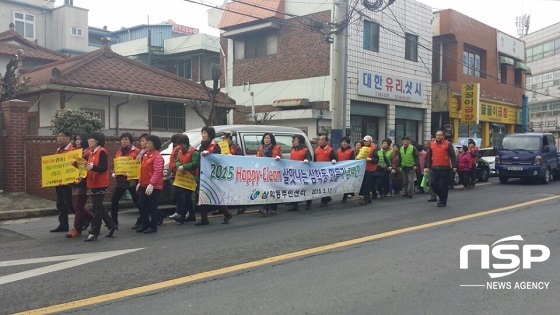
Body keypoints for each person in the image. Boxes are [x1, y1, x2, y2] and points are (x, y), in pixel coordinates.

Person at [84, 132, 118, 242]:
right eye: (88, 139)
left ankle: (94, 232)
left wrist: (93, 167)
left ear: (97, 140)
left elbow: (104, 168)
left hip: (100, 183)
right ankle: (111, 225)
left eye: (91, 139)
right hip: (92, 182)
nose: (89, 141)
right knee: (99, 207)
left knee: (96, 209)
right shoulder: (90, 152)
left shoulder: (101, 151)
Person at [196, 126, 233, 225]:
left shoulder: (216, 146)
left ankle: (227, 213)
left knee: (216, 196)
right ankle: (204, 219)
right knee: (201, 196)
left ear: (210, 135)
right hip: (203, 174)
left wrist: (209, 155)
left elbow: (218, 160)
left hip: (212, 176)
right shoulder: (201, 146)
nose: (203, 135)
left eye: (205, 133)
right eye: (202, 133)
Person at [66, 132, 94, 238]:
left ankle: (77, 229)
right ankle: (94, 220)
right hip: (74, 182)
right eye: (76, 139)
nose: (77, 141)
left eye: (79, 139)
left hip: (83, 182)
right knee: (77, 206)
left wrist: (81, 178)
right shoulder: (75, 152)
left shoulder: (88, 152)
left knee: (78, 206)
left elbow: (85, 168)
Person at [136, 135, 164, 233]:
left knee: (152, 206)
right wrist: (139, 182)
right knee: (141, 204)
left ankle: (153, 226)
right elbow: (142, 170)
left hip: (153, 186)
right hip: (144, 184)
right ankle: (145, 224)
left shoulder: (157, 157)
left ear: (154, 144)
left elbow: (157, 171)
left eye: (149, 143)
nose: (146, 144)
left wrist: (152, 184)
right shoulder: (146, 155)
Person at [110, 132, 140, 227]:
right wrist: (114, 170)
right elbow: (116, 164)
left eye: (126, 139)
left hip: (132, 180)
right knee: (114, 200)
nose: (124, 141)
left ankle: (153, 216)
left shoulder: (137, 151)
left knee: (137, 201)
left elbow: (139, 165)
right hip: (121, 180)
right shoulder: (119, 151)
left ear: (130, 141)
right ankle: (114, 221)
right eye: (122, 139)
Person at [51, 129, 75, 233]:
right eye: (58, 136)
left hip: (68, 182)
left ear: (69, 138)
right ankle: (63, 225)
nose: (59, 138)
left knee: (70, 203)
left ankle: (85, 220)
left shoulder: (72, 150)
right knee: (60, 203)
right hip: (59, 181)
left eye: (62, 136)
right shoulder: (58, 150)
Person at [425, 131, 458, 207]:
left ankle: (443, 201)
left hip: (445, 168)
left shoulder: (447, 144)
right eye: (437, 135)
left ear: (443, 136)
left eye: (440, 135)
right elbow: (429, 157)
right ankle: (441, 196)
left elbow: (453, 156)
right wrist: (427, 167)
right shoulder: (432, 144)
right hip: (434, 168)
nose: (438, 136)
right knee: (432, 184)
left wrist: (454, 166)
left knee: (443, 186)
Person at [172, 134, 199, 224]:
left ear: (185, 143)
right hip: (182, 177)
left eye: (181, 144)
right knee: (178, 194)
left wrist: (184, 167)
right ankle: (189, 214)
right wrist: (179, 165)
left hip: (191, 177)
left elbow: (195, 164)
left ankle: (185, 215)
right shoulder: (180, 151)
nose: (179, 146)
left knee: (187, 197)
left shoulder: (194, 152)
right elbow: (177, 161)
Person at [256, 133, 282, 216]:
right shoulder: (261, 148)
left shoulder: (276, 148)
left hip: (272, 172)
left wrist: (278, 158)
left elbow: (280, 157)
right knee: (266, 189)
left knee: (270, 190)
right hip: (264, 172)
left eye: (268, 138)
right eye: (265, 138)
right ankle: (271, 208)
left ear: (271, 139)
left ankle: (267, 208)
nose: (266, 140)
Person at [286, 134, 313, 211]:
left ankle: (308, 202)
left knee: (305, 188)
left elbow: (309, 158)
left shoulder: (305, 150)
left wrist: (306, 160)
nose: (294, 142)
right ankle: (295, 205)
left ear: (300, 141)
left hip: (303, 172)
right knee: (294, 188)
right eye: (294, 140)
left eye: (296, 140)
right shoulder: (293, 150)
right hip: (294, 172)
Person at [131, 133, 150, 230]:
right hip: (139, 178)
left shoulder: (149, 153)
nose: (142, 143)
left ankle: (144, 221)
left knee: (144, 203)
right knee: (141, 202)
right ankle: (144, 220)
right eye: (141, 141)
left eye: (144, 141)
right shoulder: (141, 152)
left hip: (147, 180)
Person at [168, 133, 188, 220]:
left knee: (182, 195)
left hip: (181, 174)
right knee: (178, 194)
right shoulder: (177, 149)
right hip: (176, 174)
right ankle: (179, 211)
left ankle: (184, 212)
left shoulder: (179, 150)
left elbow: (178, 161)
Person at [314, 134, 337, 207]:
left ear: (326, 141)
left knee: (325, 185)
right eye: (319, 140)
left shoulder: (330, 150)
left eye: (322, 140)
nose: (320, 141)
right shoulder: (316, 150)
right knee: (320, 185)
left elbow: (335, 159)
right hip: (318, 171)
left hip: (327, 171)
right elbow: (314, 160)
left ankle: (323, 201)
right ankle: (327, 198)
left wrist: (333, 160)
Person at [358, 136, 381, 205]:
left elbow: (376, 159)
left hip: (370, 169)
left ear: (370, 141)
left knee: (367, 185)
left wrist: (370, 159)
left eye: (367, 141)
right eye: (364, 141)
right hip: (363, 168)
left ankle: (366, 199)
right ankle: (368, 198)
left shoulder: (373, 149)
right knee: (365, 184)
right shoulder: (362, 148)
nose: (365, 142)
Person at [337, 136, 356, 203]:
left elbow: (352, 161)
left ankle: (344, 197)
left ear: (348, 143)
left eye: (345, 142)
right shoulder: (338, 150)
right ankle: (351, 192)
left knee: (346, 183)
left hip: (347, 170)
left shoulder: (351, 151)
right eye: (342, 142)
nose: (343, 143)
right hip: (339, 169)